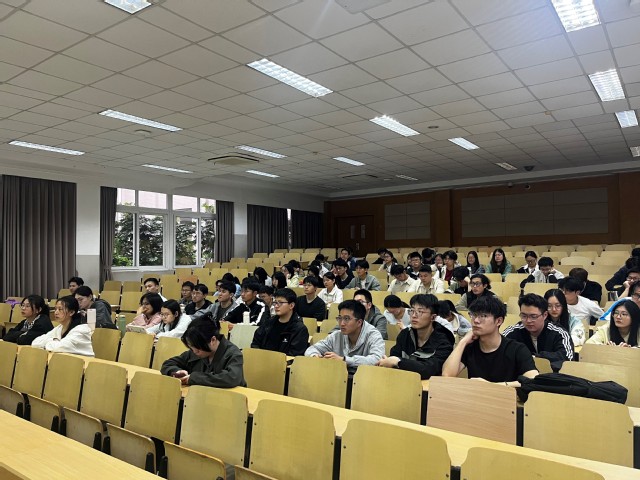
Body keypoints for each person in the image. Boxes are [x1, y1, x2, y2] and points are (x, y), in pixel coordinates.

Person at [442, 295, 538, 385]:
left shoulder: (517, 349)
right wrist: (463, 342)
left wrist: (490, 386)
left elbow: (533, 380)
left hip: (505, 396)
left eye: (483, 316)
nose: (476, 320)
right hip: (476, 396)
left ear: (498, 321)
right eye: (473, 315)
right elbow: (447, 375)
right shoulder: (470, 347)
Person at [378, 294, 454, 379]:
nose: (414, 315)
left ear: (433, 317)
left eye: (420, 312)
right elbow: (393, 357)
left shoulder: (444, 341)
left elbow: (430, 369)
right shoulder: (405, 334)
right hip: (403, 381)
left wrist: (399, 362)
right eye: (412, 311)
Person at [305, 299, 385, 374]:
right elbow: (312, 349)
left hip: (365, 379)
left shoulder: (373, 335)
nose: (342, 323)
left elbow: (377, 359)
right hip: (338, 378)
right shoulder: (336, 335)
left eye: (347, 319)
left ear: (359, 322)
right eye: (340, 318)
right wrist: (315, 356)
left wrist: (344, 360)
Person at [161, 318, 246, 388]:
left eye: (197, 348)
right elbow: (168, 364)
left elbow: (231, 378)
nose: (195, 351)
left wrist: (194, 378)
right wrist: (177, 371)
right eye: (191, 347)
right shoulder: (195, 351)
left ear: (213, 340)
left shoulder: (233, 353)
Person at [502, 293, 574, 370]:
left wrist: (537, 358)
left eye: (533, 317)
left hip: (551, 375)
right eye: (524, 316)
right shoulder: (513, 331)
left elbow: (567, 359)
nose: (528, 321)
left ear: (545, 315)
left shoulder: (559, 333)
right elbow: (499, 352)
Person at [251, 288, 310, 356]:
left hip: (283, 362)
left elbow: (294, 354)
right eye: (275, 302)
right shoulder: (269, 322)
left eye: (280, 303)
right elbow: (255, 343)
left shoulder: (299, 329)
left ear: (291, 305)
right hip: (262, 359)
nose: (276, 306)